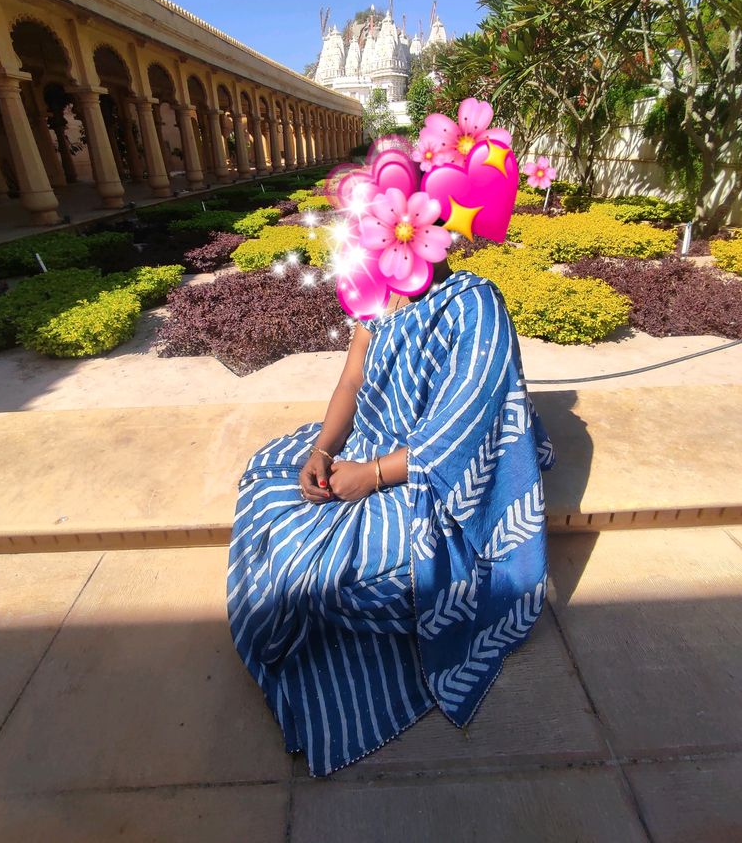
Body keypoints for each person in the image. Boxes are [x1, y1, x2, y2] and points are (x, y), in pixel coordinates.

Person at [227, 255, 555, 777]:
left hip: (433, 474)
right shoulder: (376, 295)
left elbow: (466, 423)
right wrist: (322, 452)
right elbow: (352, 382)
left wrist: (374, 476)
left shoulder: (475, 305)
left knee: (338, 577)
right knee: (269, 499)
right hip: (371, 448)